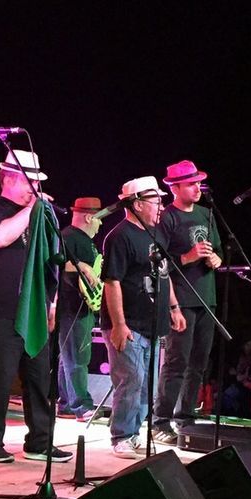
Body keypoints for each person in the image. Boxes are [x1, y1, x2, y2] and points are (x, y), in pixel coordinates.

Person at [0, 149, 73, 464]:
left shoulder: (41, 213)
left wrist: (51, 304)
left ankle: (40, 441)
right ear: (9, 178)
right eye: (30, 181)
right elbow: (0, 238)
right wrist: (31, 209)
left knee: (39, 378)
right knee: (0, 378)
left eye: (37, 182)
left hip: (34, 310)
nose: (34, 188)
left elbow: (51, 262)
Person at [101, 176, 186, 459]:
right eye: (156, 201)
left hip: (152, 323)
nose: (161, 206)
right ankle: (122, 436)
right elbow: (112, 282)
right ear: (137, 204)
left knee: (146, 384)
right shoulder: (120, 237)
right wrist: (119, 324)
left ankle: (135, 433)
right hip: (129, 324)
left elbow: (164, 274)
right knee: (131, 380)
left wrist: (174, 308)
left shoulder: (156, 234)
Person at [151, 160, 222, 444]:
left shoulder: (206, 213)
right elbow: (158, 263)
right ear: (175, 188)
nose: (197, 188)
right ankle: (161, 420)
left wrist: (216, 259)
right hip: (181, 299)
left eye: (198, 183)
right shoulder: (167, 218)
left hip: (207, 299)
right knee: (176, 363)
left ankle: (186, 418)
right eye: (191, 184)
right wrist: (188, 257)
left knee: (199, 363)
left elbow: (218, 250)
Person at [56, 197, 104, 422]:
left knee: (69, 356)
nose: (100, 224)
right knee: (77, 356)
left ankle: (66, 403)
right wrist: (82, 266)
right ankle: (81, 405)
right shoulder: (68, 237)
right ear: (89, 217)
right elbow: (56, 263)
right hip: (72, 305)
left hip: (82, 305)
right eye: (99, 219)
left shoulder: (83, 240)